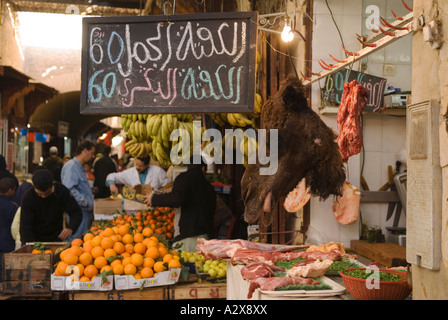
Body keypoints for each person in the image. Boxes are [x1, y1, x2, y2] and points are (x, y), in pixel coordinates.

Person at [143, 156, 216, 251]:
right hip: (204, 238)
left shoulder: (183, 178)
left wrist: (154, 199)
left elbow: (176, 199)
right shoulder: (209, 187)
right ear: (203, 168)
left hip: (186, 238)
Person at [20, 169, 82, 245]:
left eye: (47, 193)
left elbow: (76, 212)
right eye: (39, 194)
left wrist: (71, 227)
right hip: (35, 241)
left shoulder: (61, 191)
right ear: (33, 186)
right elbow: (25, 227)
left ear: (53, 184)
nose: (43, 197)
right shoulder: (28, 197)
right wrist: (30, 247)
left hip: (56, 239)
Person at [61, 140, 95, 241]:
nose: (93, 156)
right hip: (79, 213)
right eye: (92, 153)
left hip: (85, 213)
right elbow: (69, 190)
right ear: (85, 151)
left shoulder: (79, 167)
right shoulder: (71, 167)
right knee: (75, 243)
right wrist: (87, 202)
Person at [106, 155, 171, 195]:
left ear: (147, 165)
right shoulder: (131, 172)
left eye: (140, 166)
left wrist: (158, 193)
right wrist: (112, 184)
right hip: (136, 208)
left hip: (154, 207)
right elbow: (112, 176)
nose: (137, 167)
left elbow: (168, 187)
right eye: (136, 164)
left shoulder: (158, 171)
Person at [0, 177, 18, 281]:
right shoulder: (13, 206)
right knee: (4, 269)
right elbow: (15, 226)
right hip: (7, 242)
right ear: (10, 190)